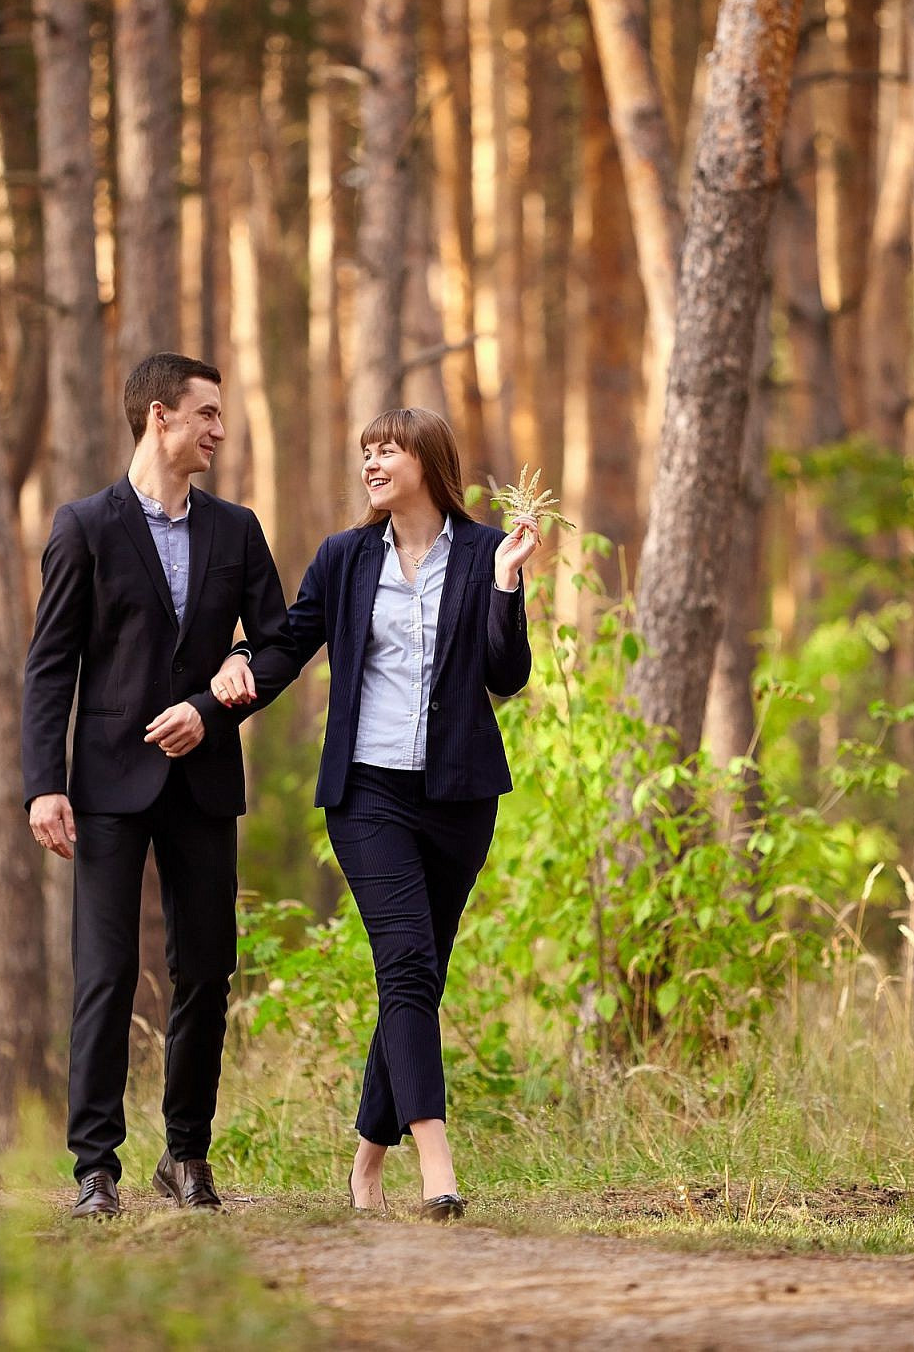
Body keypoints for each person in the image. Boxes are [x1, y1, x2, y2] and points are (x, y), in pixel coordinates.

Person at [218, 407, 540, 1219]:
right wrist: (234, 670)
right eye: (366, 452)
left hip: (459, 797)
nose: (371, 463)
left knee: (418, 976)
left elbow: (506, 677)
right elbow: (291, 642)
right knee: (404, 963)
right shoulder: (345, 557)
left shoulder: (484, 552)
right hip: (367, 793)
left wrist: (508, 584)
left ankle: (366, 1162)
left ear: (426, 461)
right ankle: (438, 1169)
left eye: (387, 450)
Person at [21, 352, 287, 1219]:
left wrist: (219, 695)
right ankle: (95, 1168)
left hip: (203, 782)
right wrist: (44, 785)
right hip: (105, 784)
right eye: (206, 414)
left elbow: (279, 643)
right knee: (105, 973)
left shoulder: (236, 530)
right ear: (159, 417)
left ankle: (186, 1155)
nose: (220, 430)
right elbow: (50, 666)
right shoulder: (83, 526)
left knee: (205, 970)